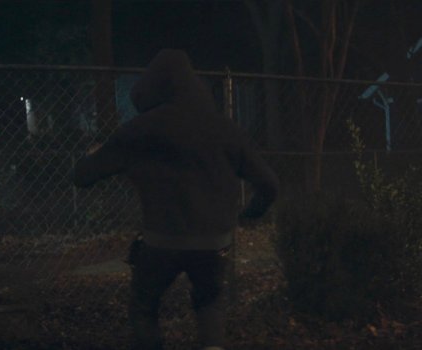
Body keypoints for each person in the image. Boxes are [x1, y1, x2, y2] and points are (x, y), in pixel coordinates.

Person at [71, 49, 278, 350]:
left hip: (160, 241)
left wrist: (94, 156)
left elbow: (83, 176)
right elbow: (270, 184)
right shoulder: (224, 129)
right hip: (213, 241)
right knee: (210, 302)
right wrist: (249, 214)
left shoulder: (139, 131)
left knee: (145, 306)